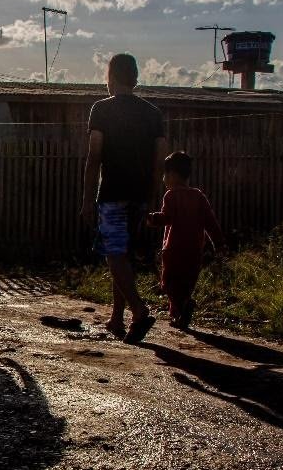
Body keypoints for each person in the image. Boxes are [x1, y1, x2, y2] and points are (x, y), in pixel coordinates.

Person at [80, 53, 167, 344]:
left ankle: (139, 311)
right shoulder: (153, 113)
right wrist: (154, 196)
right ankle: (117, 318)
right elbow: (159, 161)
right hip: (140, 195)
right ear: (136, 77)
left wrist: (86, 198)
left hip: (113, 193)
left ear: (111, 76)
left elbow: (94, 157)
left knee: (114, 253)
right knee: (125, 255)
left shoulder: (101, 109)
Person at [147, 151, 224, 329]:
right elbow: (210, 221)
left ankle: (180, 309)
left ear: (172, 175)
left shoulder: (171, 195)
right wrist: (219, 243)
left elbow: (167, 218)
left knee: (169, 283)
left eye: (164, 175)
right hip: (194, 251)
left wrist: (150, 218)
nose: (163, 179)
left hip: (173, 250)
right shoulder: (199, 196)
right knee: (187, 282)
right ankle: (183, 308)